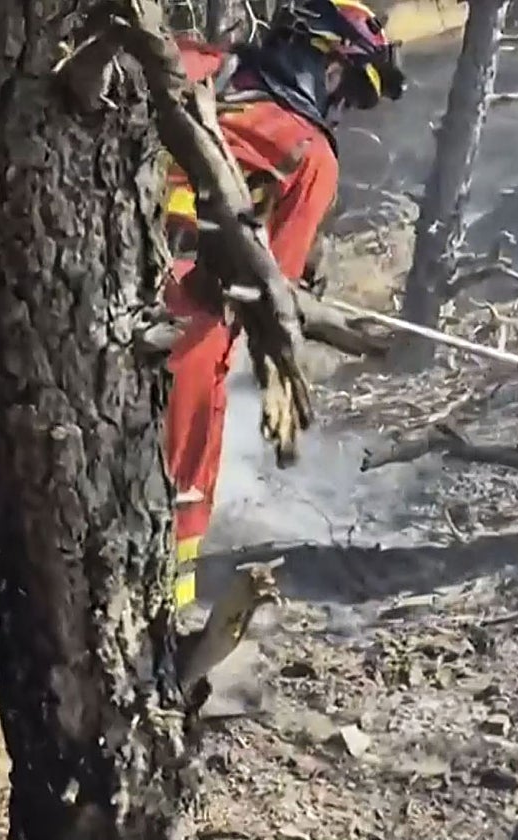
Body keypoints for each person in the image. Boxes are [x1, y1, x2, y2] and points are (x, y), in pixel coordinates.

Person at [163, 0, 406, 609]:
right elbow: (276, 287)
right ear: (327, 64)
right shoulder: (312, 155)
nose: (341, 106)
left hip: (82, 277)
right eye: (347, 90)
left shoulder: (190, 59)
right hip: (184, 312)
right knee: (184, 475)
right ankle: (160, 620)